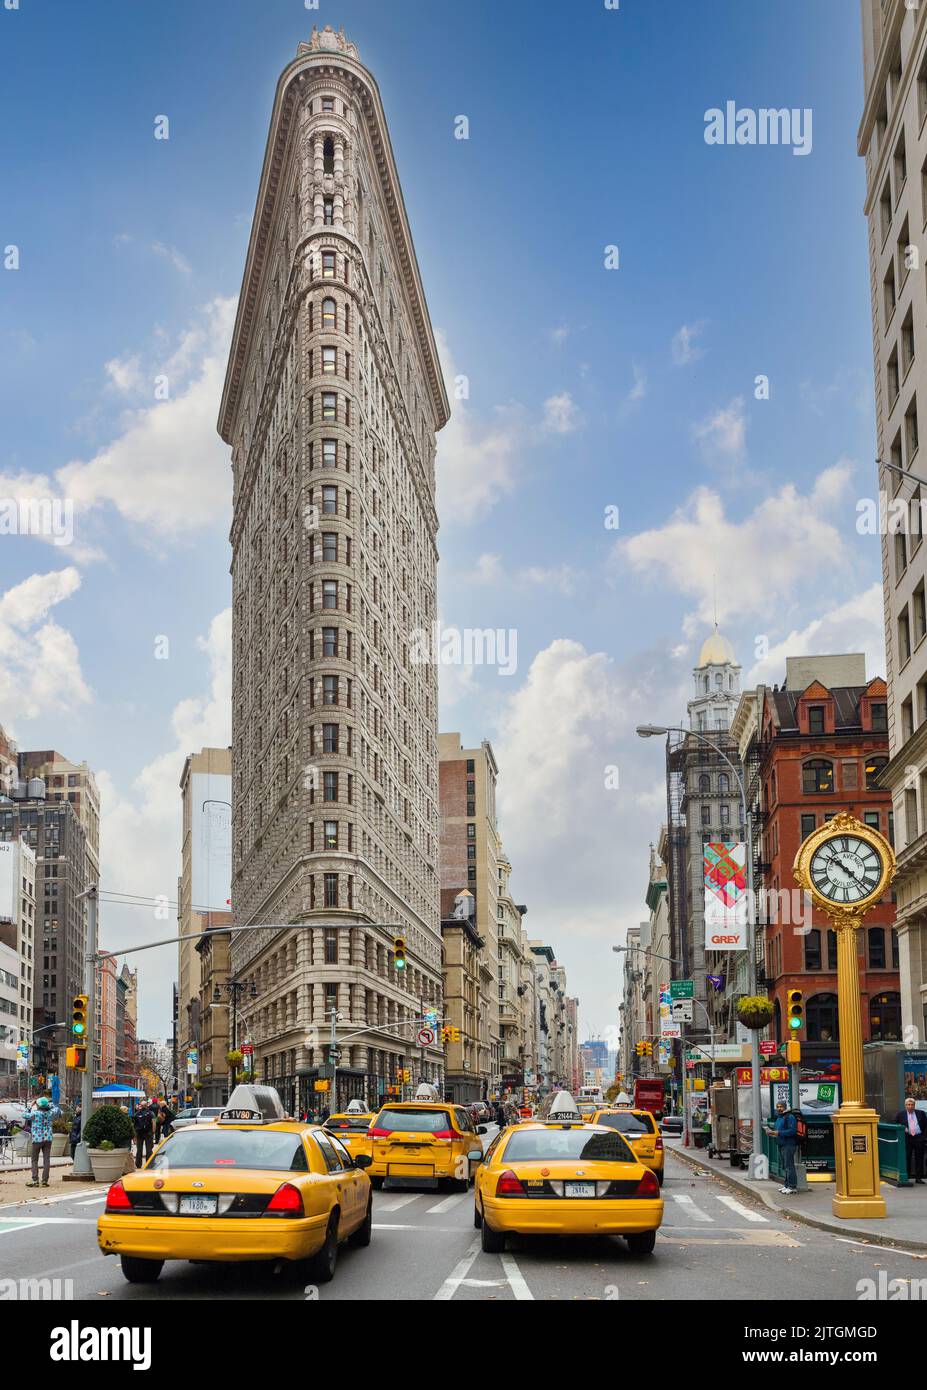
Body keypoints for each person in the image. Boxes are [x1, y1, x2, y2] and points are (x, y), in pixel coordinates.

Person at [25, 1095, 60, 1188]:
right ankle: (44, 1181)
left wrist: (29, 1106)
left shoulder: (35, 1113)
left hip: (37, 1139)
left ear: (38, 1105)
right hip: (48, 1138)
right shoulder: (50, 1113)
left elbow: (24, 1115)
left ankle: (35, 1180)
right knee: (46, 1159)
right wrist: (50, 1105)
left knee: (34, 1160)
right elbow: (57, 1109)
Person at [764, 1101, 799, 1195]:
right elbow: (779, 1130)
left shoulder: (790, 1117)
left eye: (781, 1107)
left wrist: (778, 1133)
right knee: (785, 1166)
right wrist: (771, 1132)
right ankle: (787, 1185)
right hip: (781, 1143)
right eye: (777, 1107)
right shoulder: (780, 1117)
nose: (779, 1108)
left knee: (789, 1166)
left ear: (785, 1107)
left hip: (788, 1144)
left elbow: (792, 1131)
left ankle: (792, 1186)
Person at [895, 1097, 927, 1183]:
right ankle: (907, 1177)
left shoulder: (921, 1113)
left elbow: (925, 1125)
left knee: (919, 1158)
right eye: (908, 1105)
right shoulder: (900, 1114)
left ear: (914, 1105)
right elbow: (896, 1123)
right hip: (907, 1138)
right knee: (907, 1157)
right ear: (905, 1106)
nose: (910, 1106)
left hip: (919, 1138)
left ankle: (918, 1178)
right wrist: (902, 1128)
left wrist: (923, 1136)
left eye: (912, 1104)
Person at [134, 1101, 154, 1168]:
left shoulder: (136, 1114)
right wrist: (153, 1132)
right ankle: (148, 1163)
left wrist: (134, 1136)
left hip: (139, 1134)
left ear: (141, 1106)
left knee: (139, 1149)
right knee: (149, 1149)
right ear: (146, 1105)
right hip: (148, 1133)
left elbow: (134, 1125)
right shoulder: (151, 1113)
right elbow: (153, 1123)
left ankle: (138, 1164)